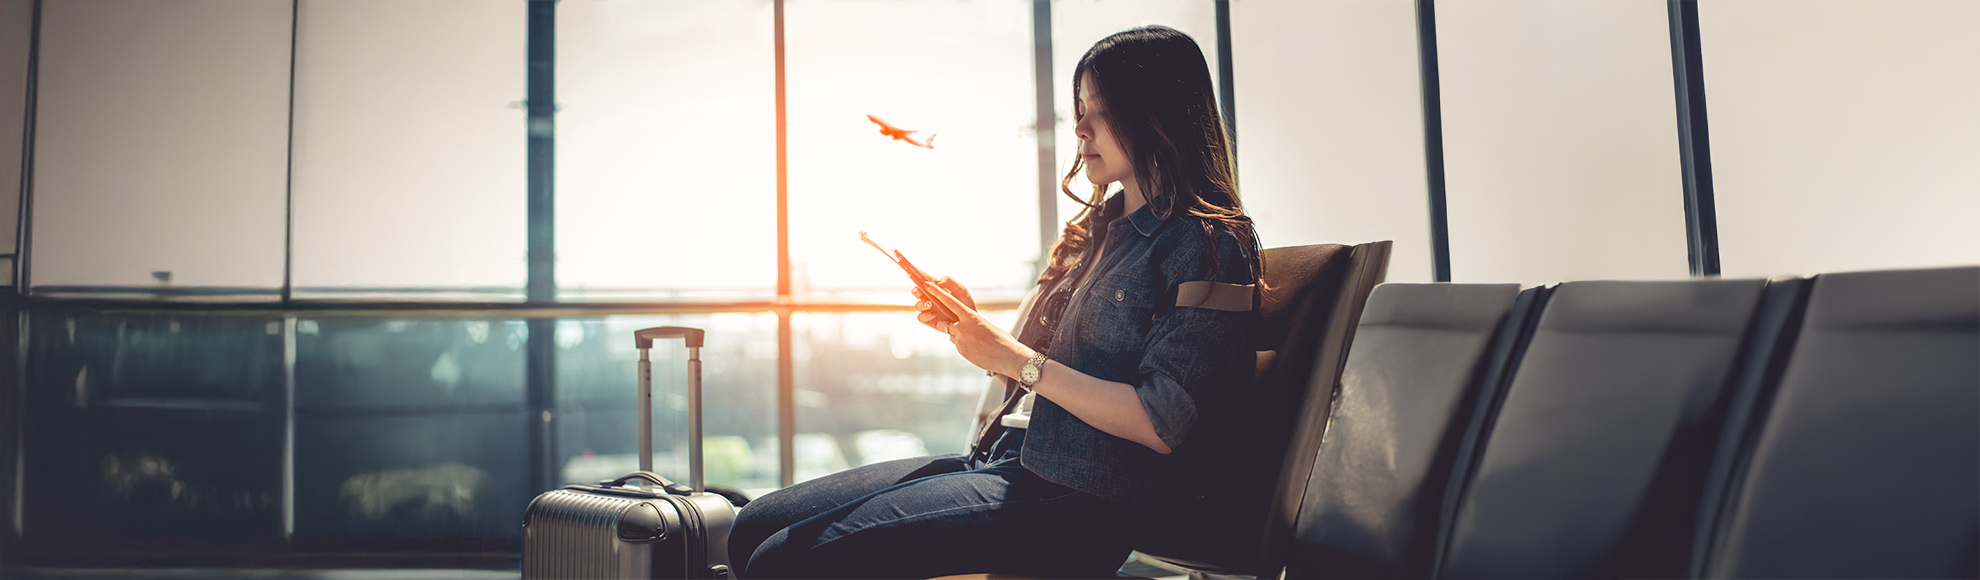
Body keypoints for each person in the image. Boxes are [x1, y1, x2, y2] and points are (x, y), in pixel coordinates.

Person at [727, 25, 1265, 579]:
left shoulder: (1206, 242)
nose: (1079, 127)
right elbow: (1055, 362)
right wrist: (977, 328)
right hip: (1008, 457)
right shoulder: (1097, 228)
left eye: (1099, 110)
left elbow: (1162, 422)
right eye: (1079, 108)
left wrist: (1011, 358)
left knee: (781, 561)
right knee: (752, 526)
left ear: (1155, 114)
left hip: (1085, 494)